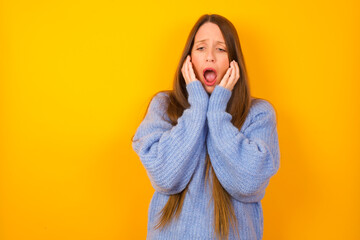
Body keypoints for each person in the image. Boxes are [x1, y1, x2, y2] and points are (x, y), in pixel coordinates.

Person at [131, 14, 280, 240]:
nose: (210, 57)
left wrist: (217, 109)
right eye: (201, 48)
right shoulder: (163, 106)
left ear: (233, 61)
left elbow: (249, 183)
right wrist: (198, 105)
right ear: (188, 58)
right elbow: (164, 177)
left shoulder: (259, 114)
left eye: (221, 49)